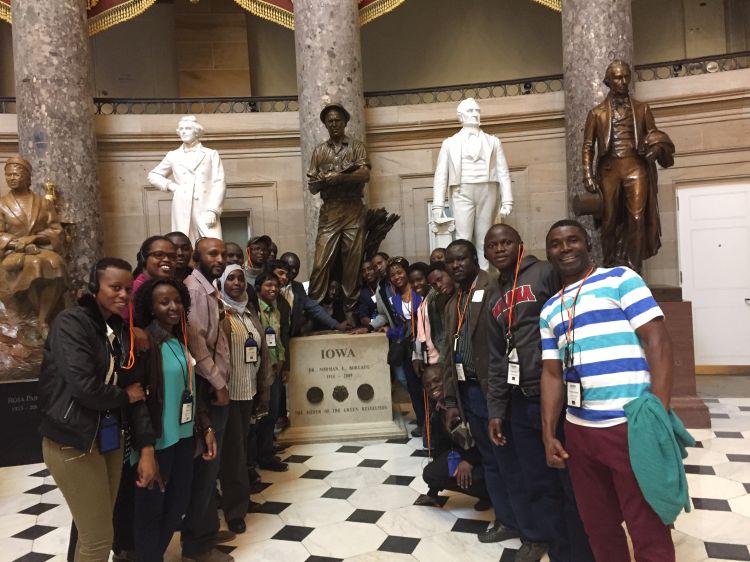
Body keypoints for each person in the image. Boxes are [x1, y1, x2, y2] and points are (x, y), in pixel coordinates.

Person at [540, 219, 676, 562]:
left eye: (573, 240)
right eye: (556, 243)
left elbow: (657, 339)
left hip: (629, 424)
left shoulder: (620, 279)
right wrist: (548, 434)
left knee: (646, 524)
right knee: (598, 526)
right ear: (548, 253)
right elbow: (552, 375)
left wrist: (657, 411)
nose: (565, 247)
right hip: (579, 432)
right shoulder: (549, 309)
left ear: (588, 245)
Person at [485, 224, 593, 562]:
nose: (500, 249)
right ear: (486, 252)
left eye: (506, 242)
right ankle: (559, 552)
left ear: (520, 245)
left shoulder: (544, 271)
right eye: (492, 245)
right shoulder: (492, 293)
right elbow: (496, 358)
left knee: (570, 485)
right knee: (537, 484)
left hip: (557, 396)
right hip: (520, 402)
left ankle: (584, 553)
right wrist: (496, 410)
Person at [39, 257, 146, 562]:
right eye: (115, 287)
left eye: (128, 288)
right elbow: (84, 387)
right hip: (73, 439)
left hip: (107, 436)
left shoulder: (114, 326)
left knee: (98, 534)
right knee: (98, 540)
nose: (124, 295)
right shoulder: (71, 322)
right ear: (93, 287)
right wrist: (126, 396)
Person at [131, 277, 218, 562]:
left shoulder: (179, 340)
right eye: (164, 302)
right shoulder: (144, 342)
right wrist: (145, 447)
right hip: (156, 441)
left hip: (183, 439)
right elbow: (139, 401)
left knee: (177, 504)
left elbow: (191, 389)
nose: (173, 307)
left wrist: (204, 425)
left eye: (177, 300)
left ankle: (153, 555)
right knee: (151, 510)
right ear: (150, 307)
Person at [442, 239, 520, 544]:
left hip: (494, 392)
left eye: (461, 259)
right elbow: (449, 356)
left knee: (506, 459)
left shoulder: (492, 289)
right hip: (469, 393)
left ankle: (522, 522)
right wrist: (451, 401)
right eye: (450, 261)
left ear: (475, 259)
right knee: (490, 460)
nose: (455, 265)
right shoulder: (453, 302)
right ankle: (506, 519)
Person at [582, 60, 674, 272]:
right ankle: (609, 264)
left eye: (625, 77)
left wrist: (655, 150)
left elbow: (654, 135)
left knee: (636, 217)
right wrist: (587, 174)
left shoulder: (642, 108)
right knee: (609, 220)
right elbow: (588, 146)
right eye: (617, 78)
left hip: (636, 167)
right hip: (609, 169)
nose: (622, 82)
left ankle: (634, 269)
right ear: (608, 81)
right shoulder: (596, 113)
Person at [181, 237, 234, 562]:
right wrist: (218, 383)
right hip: (206, 392)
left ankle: (208, 530)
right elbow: (196, 343)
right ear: (195, 257)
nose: (219, 258)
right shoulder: (195, 290)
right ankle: (198, 546)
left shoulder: (210, 289)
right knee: (205, 469)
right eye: (212, 253)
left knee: (210, 470)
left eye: (222, 253)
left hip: (214, 387)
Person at [217, 265, 272, 534]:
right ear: (221, 283)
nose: (237, 283)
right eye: (231, 278)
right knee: (232, 456)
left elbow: (261, 350)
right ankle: (234, 510)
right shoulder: (219, 312)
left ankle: (241, 499)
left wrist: (263, 387)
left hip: (248, 390)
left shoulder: (249, 311)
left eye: (240, 278)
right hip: (228, 394)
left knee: (242, 450)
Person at [431, 98, 514, 269]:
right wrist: (437, 206)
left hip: (487, 189)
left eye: (477, 111)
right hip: (461, 190)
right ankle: (464, 275)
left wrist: (507, 200)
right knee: (463, 237)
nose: (475, 114)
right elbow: (441, 175)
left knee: (485, 236)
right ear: (460, 116)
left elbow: (503, 172)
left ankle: (485, 275)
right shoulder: (449, 143)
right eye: (470, 111)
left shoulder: (493, 142)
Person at [306, 102, 370, 323]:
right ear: (325, 124)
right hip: (330, 210)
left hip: (353, 207)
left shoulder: (356, 146)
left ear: (345, 123)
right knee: (320, 263)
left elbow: (364, 175)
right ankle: (314, 312)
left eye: (338, 120)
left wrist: (340, 177)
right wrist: (324, 181)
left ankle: (350, 311)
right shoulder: (319, 151)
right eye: (330, 121)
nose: (334, 124)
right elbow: (312, 186)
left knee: (352, 262)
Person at [0, 156, 67, 336]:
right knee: (35, 265)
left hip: (40, 248)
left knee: (56, 264)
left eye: (16, 174)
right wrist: (18, 243)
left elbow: (56, 230)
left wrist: (34, 239)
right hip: (12, 252)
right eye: (8, 175)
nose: (11, 178)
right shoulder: (2, 204)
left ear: (27, 176)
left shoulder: (43, 203)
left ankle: (42, 319)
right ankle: (24, 318)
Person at [415, 364, 490, 510]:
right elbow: (441, 449)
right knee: (431, 473)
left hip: (484, 457)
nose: (433, 387)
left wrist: (468, 461)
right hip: (462, 453)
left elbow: (484, 442)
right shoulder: (437, 410)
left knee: (474, 475)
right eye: (428, 385)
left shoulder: (466, 404)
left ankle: (489, 495)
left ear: (448, 381)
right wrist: (433, 493)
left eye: (437, 380)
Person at [371, 257, 426, 440]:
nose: (396, 277)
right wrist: (380, 329)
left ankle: (433, 423)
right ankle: (422, 422)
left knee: (428, 385)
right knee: (413, 386)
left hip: (426, 344)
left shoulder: (420, 290)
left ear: (407, 272)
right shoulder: (394, 298)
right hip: (408, 346)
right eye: (393, 275)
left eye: (400, 272)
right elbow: (395, 323)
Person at [147, 115, 226, 241]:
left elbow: (219, 182)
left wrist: (213, 210)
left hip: (205, 207)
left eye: (187, 128)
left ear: (197, 132)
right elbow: (153, 175)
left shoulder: (211, 154)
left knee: (212, 245)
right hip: (182, 206)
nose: (183, 131)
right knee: (183, 244)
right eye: (181, 129)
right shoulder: (173, 155)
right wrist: (171, 186)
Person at [253, 271, 291, 472]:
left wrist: (283, 362)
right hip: (260, 370)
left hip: (275, 367)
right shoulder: (254, 309)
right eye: (268, 285)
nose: (273, 289)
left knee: (272, 412)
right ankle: (259, 456)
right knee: (262, 413)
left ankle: (267, 453)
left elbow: (277, 340)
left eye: (276, 286)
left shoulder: (276, 311)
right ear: (259, 288)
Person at [278, 252, 351, 337]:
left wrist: (337, 325)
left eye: (297, 268)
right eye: (291, 267)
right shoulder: (271, 285)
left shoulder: (298, 288)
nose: (294, 271)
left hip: (288, 337)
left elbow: (315, 309)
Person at [357, 260, 379, 327]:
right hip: (376, 326)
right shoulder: (364, 292)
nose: (367, 272)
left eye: (369, 269)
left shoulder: (386, 286)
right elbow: (363, 318)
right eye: (363, 271)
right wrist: (377, 324)